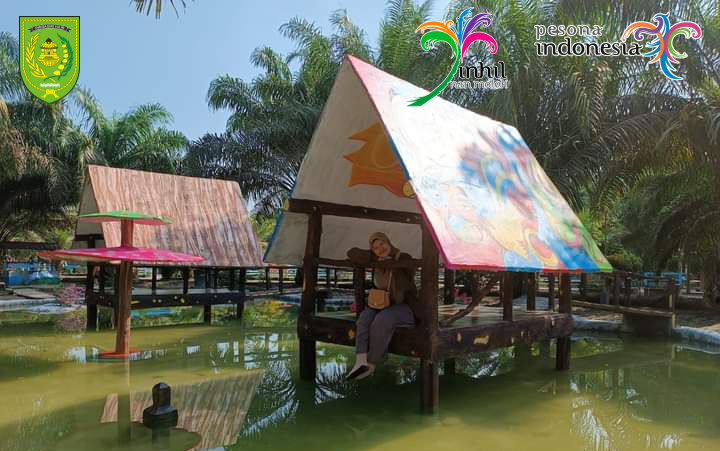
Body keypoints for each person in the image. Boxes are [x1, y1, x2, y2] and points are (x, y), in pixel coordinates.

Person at [345, 232, 418, 380]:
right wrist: (374, 258)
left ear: (388, 242)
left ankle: (371, 363)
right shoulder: (376, 260)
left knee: (382, 319)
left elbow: (410, 273)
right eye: (375, 247)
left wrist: (391, 263)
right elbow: (351, 253)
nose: (380, 248)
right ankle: (360, 361)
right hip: (381, 304)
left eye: (382, 244)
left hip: (404, 306)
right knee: (364, 318)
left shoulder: (403, 257)